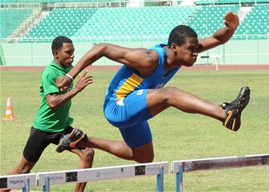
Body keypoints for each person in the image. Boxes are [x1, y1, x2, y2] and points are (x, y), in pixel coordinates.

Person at [55, 11, 250, 163]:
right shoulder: (148, 59)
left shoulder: (183, 54)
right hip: (117, 106)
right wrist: (70, 75)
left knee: (144, 157)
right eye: (191, 49)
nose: (195, 53)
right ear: (174, 47)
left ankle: (83, 140)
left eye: (195, 48)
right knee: (170, 93)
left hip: (136, 105)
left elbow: (216, 39)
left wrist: (231, 28)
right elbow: (103, 48)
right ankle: (225, 114)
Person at [0, 36, 94, 192]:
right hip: (43, 129)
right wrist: (76, 89)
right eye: (68, 52)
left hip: (62, 129)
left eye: (73, 52)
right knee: (23, 170)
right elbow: (52, 103)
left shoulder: (67, 71)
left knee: (87, 153)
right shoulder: (49, 72)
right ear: (56, 53)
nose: (72, 56)